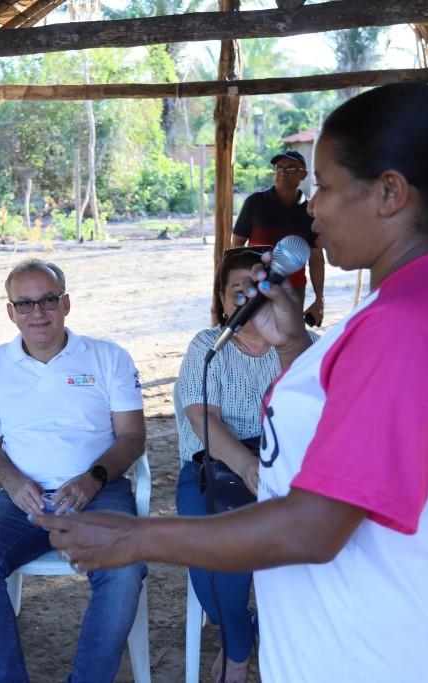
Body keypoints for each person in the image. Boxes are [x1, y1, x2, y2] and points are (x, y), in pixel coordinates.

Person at [41, 82, 428, 682]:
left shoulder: (407, 323)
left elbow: (315, 527)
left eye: (326, 186)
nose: (311, 207)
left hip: (361, 650)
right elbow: (352, 432)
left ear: (390, 192)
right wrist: (292, 347)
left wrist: (136, 538)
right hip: (378, 627)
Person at [0, 259, 147, 683]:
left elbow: (133, 437)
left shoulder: (108, 357)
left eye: (48, 300)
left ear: (66, 304)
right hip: (20, 499)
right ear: (11, 312)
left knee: (124, 567)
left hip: (99, 493)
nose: (37, 312)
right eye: (24, 304)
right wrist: (12, 482)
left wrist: (93, 478)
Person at [175, 246, 314, 682]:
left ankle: (255, 641)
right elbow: (202, 416)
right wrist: (247, 467)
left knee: (304, 566)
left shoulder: (306, 345)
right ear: (221, 300)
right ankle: (239, 644)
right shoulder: (207, 346)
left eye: (257, 288)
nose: (248, 299)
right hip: (212, 468)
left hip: (287, 468)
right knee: (216, 569)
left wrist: (272, 470)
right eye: (238, 291)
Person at [231, 150, 325, 326]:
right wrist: (235, 285)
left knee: (288, 337)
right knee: (253, 335)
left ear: (303, 175)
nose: (282, 172)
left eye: (291, 168)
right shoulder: (255, 203)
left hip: (294, 290)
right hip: (257, 286)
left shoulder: (310, 212)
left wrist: (319, 299)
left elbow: (317, 258)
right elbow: (236, 246)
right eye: (279, 167)